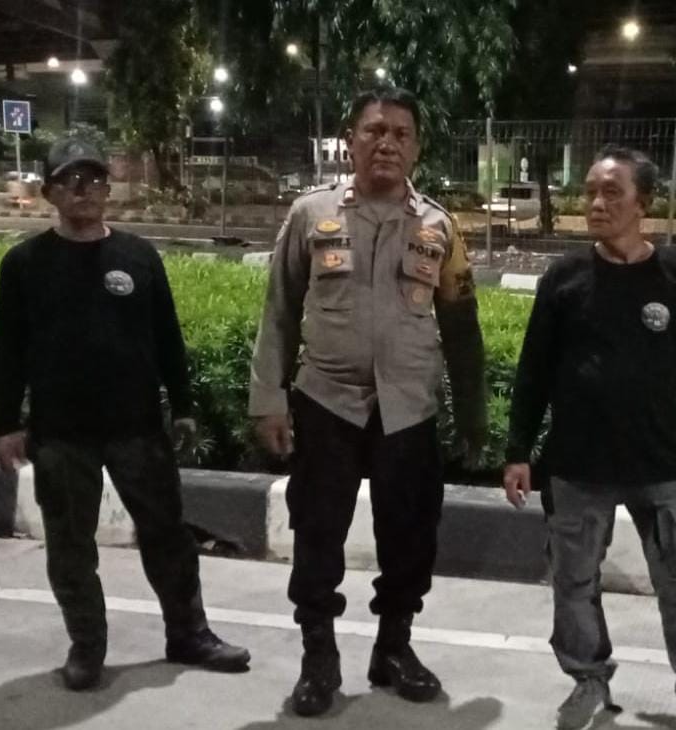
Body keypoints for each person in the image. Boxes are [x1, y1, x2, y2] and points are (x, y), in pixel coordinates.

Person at [248, 86, 487, 717]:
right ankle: (318, 658)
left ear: (417, 148)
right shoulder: (310, 213)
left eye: (401, 134)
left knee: (410, 535)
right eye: (374, 131)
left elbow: (462, 326)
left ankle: (393, 649)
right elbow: (279, 311)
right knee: (317, 533)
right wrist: (269, 399)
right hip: (326, 401)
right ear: (350, 141)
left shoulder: (439, 227)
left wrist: (474, 413)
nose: (387, 143)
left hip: (408, 408)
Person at [0, 137, 250, 691]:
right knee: (70, 546)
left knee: (168, 537)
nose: (84, 190)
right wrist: (6, 424)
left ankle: (189, 633)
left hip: (138, 427)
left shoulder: (138, 256)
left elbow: (167, 336)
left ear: (109, 190)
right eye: (71, 180)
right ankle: (87, 647)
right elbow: (8, 349)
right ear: (49, 192)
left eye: (94, 180)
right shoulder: (24, 264)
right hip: (62, 434)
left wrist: (183, 407)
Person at [503, 147, 676, 730]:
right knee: (574, 582)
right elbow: (534, 369)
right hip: (576, 464)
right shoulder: (565, 278)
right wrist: (518, 451)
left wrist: (642, 396)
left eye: (612, 192)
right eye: (590, 192)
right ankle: (588, 679)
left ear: (644, 203)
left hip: (661, 461)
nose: (597, 204)